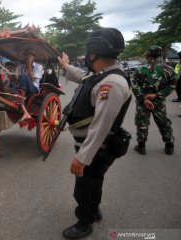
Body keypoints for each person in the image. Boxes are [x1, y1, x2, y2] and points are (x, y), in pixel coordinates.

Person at [58, 27, 131, 239]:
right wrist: (65, 65)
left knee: (85, 186)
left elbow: (102, 126)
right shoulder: (103, 75)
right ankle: (93, 209)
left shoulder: (111, 84)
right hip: (95, 146)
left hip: (98, 147)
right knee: (93, 182)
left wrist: (82, 158)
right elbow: (84, 77)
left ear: (93, 54)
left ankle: (84, 222)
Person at [132, 45, 176, 155]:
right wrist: (157, 95)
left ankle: (141, 147)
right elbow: (172, 85)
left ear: (148, 55)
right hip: (159, 101)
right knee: (163, 122)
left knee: (142, 122)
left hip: (143, 101)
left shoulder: (140, 69)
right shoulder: (168, 69)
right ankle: (169, 146)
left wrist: (143, 98)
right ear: (160, 55)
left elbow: (134, 84)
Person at [14, 50, 43, 121]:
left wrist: (29, 65)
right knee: (11, 86)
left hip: (33, 88)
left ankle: (21, 102)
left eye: (30, 56)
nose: (28, 57)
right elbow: (17, 78)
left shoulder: (39, 66)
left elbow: (32, 79)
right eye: (26, 55)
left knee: (23, 76)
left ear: (34, 57)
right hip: (22, 87)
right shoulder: (21, 66)